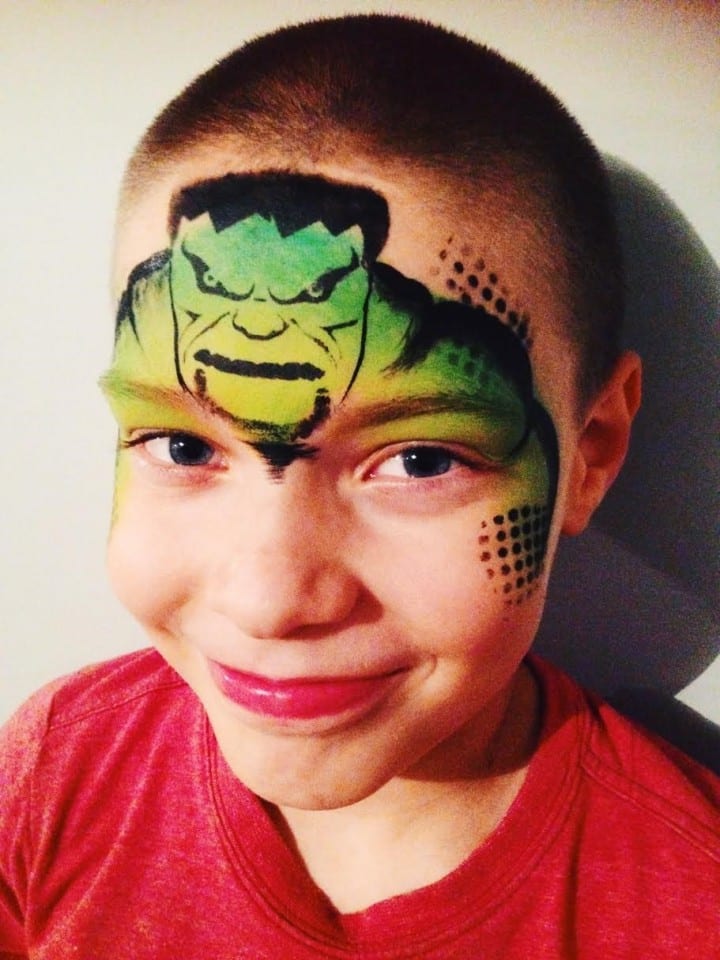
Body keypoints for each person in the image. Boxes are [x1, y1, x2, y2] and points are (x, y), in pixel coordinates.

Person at [1, 14, 717, 958]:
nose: (270, 602)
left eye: (421, 460)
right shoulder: (58, 767)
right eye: (182, 445)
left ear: (590, 453)